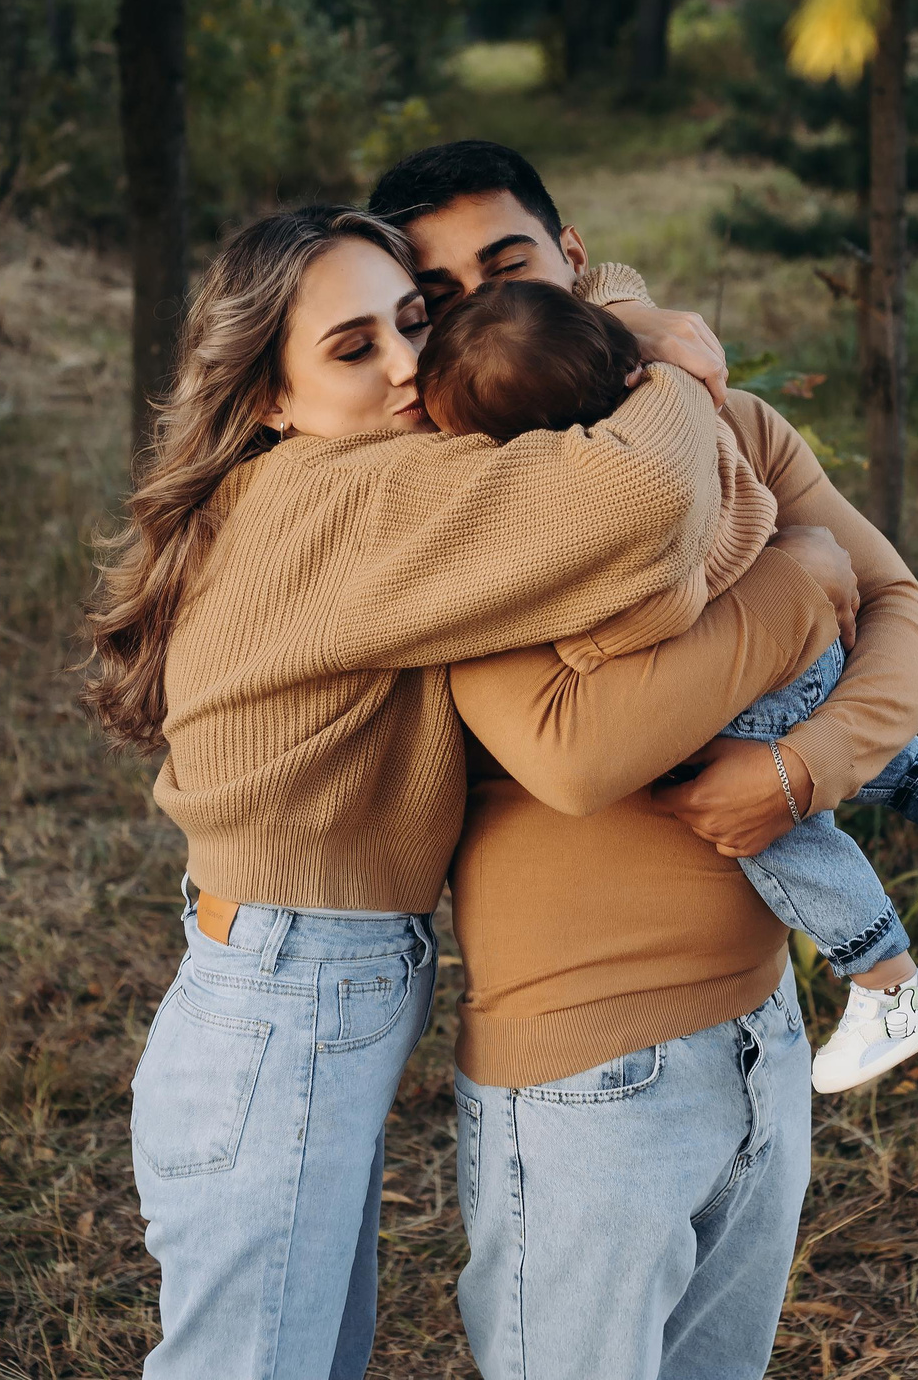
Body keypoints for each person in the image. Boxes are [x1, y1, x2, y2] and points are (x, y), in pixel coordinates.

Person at [80, 206, 855, 1380]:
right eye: (352, 350)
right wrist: (656, 360)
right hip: (285, 991)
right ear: (270, 400)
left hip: (291, 977)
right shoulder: (344, 496)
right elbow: (637, 500)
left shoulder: (328, 482)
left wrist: (616, 313)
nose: (405, 372)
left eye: (411, 325)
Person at [365, 140, 918, 1379]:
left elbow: (908, 619)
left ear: (571, 262)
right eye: (442, 292)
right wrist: (800, 587)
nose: (483, 302)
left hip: (764, 1033)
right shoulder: (460, 504)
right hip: (589, 1072)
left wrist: (802, 772)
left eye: (507, 261)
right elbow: (576, 757)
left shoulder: (727, 422)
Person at [417, 277, 918, 1092]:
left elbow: (649, 629)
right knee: (799, 710)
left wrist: (594, 645)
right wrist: (631, 318)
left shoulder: (600, 514)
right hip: (811, 653)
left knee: (773, 828)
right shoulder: (689, 420)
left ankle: (890, 984)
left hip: (751, 684)